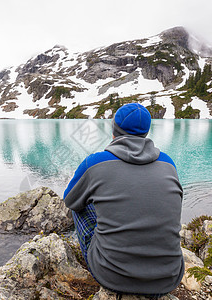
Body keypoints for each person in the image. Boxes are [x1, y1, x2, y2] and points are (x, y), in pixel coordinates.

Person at [63, 103, 184, 297]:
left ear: (114, 131)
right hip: (169, 276)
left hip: (113, 277)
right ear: (146, 132)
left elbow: (70, 200)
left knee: (80, 206)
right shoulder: (168, 163)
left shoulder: (95, 162)